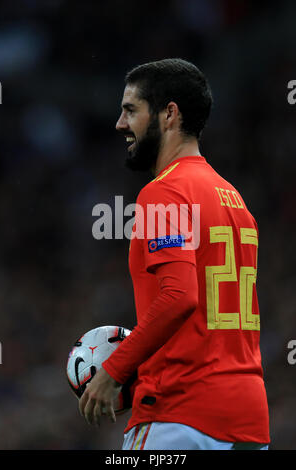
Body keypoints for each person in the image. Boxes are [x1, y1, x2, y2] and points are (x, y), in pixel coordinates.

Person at [79, 58, 270, 450]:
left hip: (180, 414)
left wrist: (113, 371)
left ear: (169, 114)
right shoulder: (234, 200)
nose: (119, 124)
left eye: (131, 110)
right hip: (248, 419)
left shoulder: (164, 192)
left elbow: (179, 296)